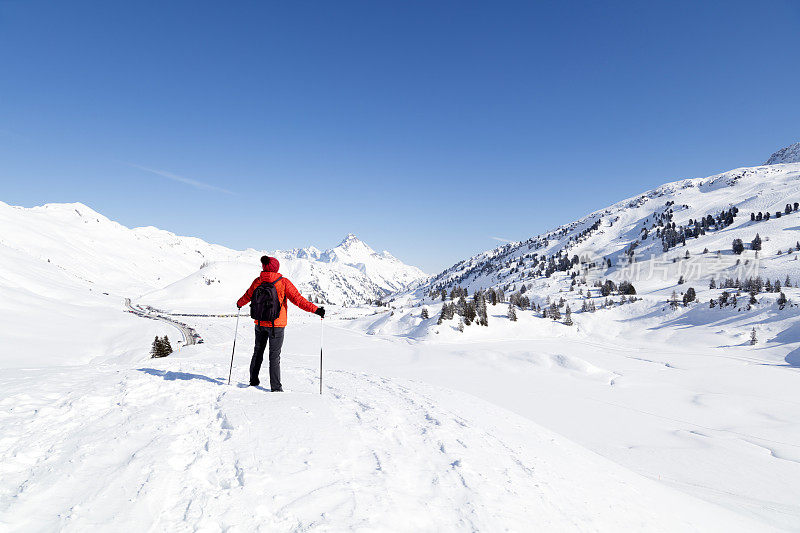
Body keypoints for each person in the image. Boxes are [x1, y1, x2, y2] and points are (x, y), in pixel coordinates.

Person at [237, 255, 325, 391]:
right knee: (274, 356)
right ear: (276, 268)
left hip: (259, 323)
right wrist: (316, 310)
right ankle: (276, 388)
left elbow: (247, 295)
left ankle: (253, 381)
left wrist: (239, 303)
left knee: (257, 353)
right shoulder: (283, 282)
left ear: (264, 267)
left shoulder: (258, 281)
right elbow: (298, 300)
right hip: (276, 326)